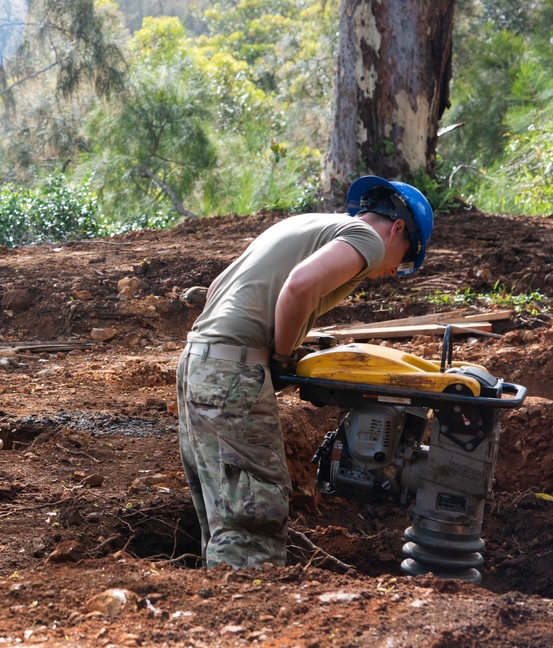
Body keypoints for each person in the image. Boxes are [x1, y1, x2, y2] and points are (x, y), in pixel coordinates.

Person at [176, 175, 434, 569]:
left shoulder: (300, 224)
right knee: (252, 513)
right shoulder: (366, 238)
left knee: (224, 510)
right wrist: (281, 354)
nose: (391, 272)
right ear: (398, 229)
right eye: (404, 260)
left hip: (198, 362)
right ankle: (250, 617)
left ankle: (222, 607)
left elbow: (216, 291)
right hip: (231, 373)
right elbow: (299, 287)